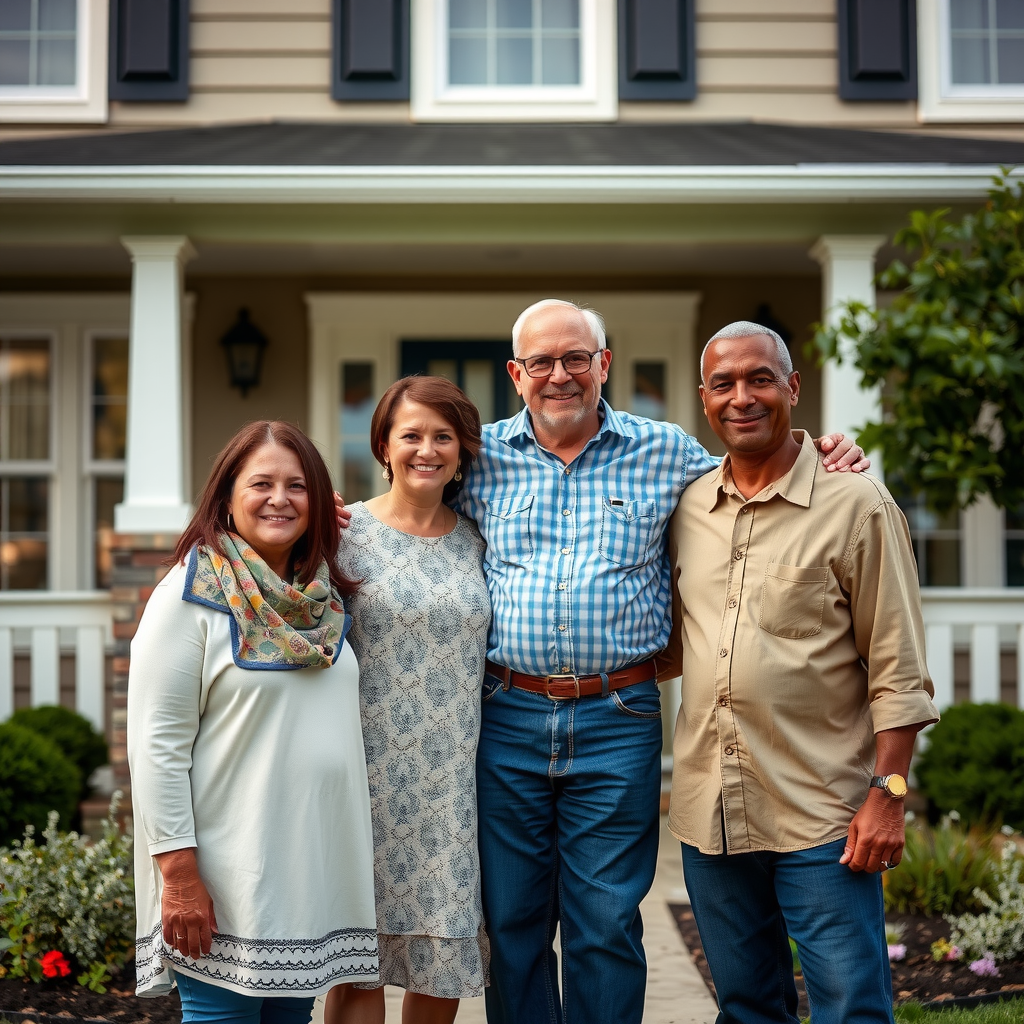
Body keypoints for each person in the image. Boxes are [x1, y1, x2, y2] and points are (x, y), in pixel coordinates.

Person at [451, 299, 867, 1024]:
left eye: (576, 358)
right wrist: (332, 513)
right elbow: (407, 502)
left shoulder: (668, 453)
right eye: (542, 362)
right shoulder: (476, 457)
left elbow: (757, 478)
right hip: (506, 713)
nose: (560, 375)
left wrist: (830, 452)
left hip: (619, 716)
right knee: (513, 925)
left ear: (602, 365)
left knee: (606, 922)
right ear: (516, 374)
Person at [662, 321, 941, 1024]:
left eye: (760, 378)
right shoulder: (688, 507)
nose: (741, 397)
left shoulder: (859, 507)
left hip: (825, 817)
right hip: (713, 815)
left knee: (852, 1009)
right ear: (704, 398)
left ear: (792, 387)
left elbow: (900, 670)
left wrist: (890, 793)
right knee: (749, 1007)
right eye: (723, 383)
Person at [128, 420, 378, 1024]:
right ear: (226, 497)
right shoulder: (188, 598)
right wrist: (179, 877)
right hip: (224, 876)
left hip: (304, 873)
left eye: (298, 486)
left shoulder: (320, 595)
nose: (279, 498)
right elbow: (156, 748)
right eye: (261, 483)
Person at [326, 377, 490, 1024]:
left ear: (461, 450)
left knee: (439, 964)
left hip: (455, 787)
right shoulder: (343, 533)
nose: (428, 449)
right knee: (359, 964)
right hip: (362, 779)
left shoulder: (481, 541)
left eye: (443, 436)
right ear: (384, 446)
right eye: (412, 435)